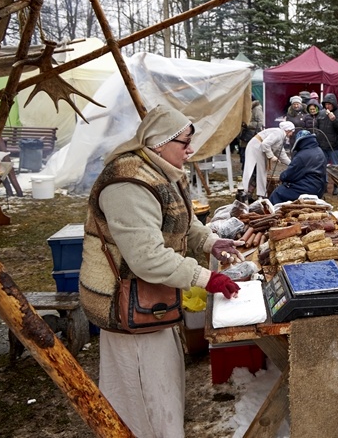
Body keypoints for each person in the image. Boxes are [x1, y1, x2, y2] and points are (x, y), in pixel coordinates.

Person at [79, 105, 245, 438]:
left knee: (163, 386)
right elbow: (147, 258)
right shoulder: (128, 184)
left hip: (150, 298)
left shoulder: (162, 171)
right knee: (140, 391)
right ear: (159, 142)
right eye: (184, 142)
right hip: (124, 303)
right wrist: (206, 278)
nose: (190, 150)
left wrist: (210, 242)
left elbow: (182, 221)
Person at [238, 121, 294, 201]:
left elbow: (281, 153)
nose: (292, 134)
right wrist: (271, 156)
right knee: (251, 171)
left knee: (262, 172)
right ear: (288, 130)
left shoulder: (281, 137)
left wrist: (291, 164)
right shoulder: (278, 133)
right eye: (292, 131)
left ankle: (260, 195)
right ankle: (245, 193)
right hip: (255, 146)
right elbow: (265, 144)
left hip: (260, 148)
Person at [269, 130, 327, 204]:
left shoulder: (302, 155)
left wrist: (282, 176)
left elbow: (289, 175)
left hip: (307, 189)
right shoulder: (319, 150)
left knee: (278, 193)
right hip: (319, 188)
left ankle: (272, 214)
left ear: (299, 142)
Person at [238, 96, 264, 168]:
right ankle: (245, 171)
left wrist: (246, 124)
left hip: (251, 135)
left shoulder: (257, 108)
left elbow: (260, 123)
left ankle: (252, 174)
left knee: (250, 154)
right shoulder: (247, 108)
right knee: (243, 154)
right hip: (245, 134)